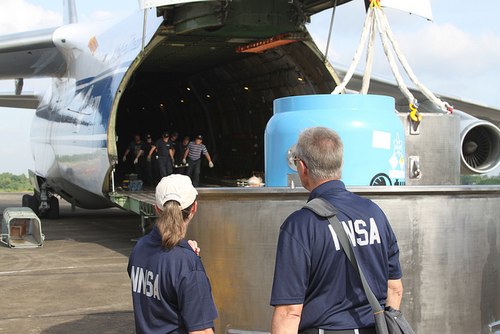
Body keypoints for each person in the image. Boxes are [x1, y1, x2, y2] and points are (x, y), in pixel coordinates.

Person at [270, 127, 403, 334]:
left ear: (302, 167)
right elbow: (394, 288)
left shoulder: (300, 226)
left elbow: (290, 312)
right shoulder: (374, 213)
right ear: (339, 165)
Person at [127, 174, 218, 334]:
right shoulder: (186, 264)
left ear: (156, 208)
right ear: (194, 208)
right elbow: (201, 331)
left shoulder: (140, 248)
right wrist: (190, 263)